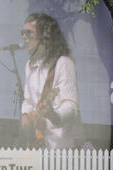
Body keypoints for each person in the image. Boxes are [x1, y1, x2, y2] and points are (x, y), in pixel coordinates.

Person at [20, 13, 80, 150]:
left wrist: (53, 115)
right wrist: (25, 115)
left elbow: (71, 106)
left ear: (45, 36)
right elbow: (28, 100)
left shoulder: (63, 63)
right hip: (37, 144)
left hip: (59, 148)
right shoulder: (29, 65)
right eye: (22, 33)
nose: (24, 37)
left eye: (28, 33)